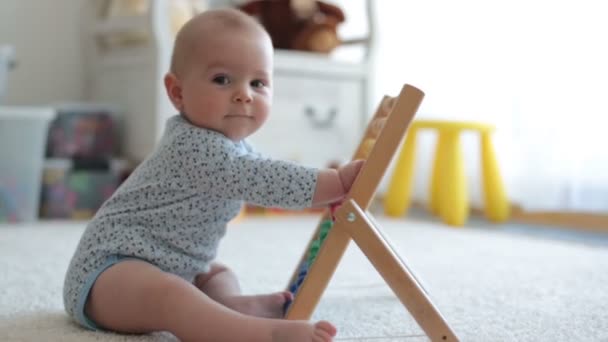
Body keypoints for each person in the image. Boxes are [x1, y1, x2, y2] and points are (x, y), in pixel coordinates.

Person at [63, 8, 364, 342]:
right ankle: (260, 333)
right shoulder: (194, 147)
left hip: (175, 264)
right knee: (171, 296)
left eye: (258, 83)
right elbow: (267, 180)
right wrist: (335, 182)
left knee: (216, 273)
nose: (244, 94)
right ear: (177, 92)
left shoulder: (234, 148)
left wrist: (326, 189)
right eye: (222, 79)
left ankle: (226, 307)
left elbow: (264, 169)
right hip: (107, 276)